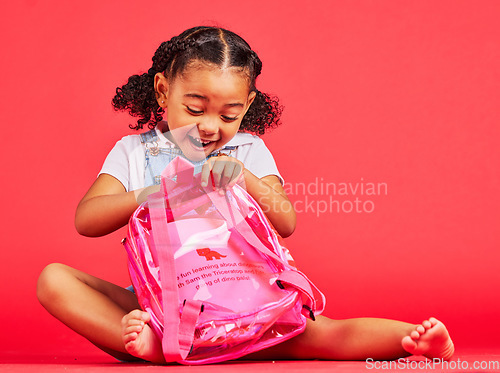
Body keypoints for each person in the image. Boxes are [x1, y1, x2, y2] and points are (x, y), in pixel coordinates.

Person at [37, 26, 454, 364]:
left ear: (248, 104)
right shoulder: (137, 151)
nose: (209, 127)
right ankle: (164, 343)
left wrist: (245, 178)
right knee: (53, 279)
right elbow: (87, 219)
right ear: (163, 91)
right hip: (167, 304)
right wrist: (155, 191)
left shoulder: (248, 150)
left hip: (251, 302)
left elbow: (286, 222)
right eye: (195, 110)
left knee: (325, 333)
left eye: (229, 114)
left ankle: (413, 340)